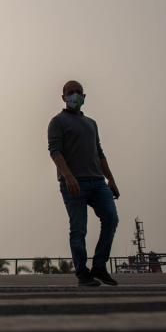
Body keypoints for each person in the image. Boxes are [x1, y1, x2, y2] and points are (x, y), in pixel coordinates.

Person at [48, 80, 120, 286]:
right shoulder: (57, 122)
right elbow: (55, 151)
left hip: (98, 182)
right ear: (63, 97)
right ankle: (82, 272)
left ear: (84, 97)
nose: (75, 95)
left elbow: (100, 153)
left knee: (111, 218)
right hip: (73, 183)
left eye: (79, 92)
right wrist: (68, 176)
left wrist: (111, 179)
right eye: (70, 92)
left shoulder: (91, 123)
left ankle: (99, 266)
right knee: (79, 229)